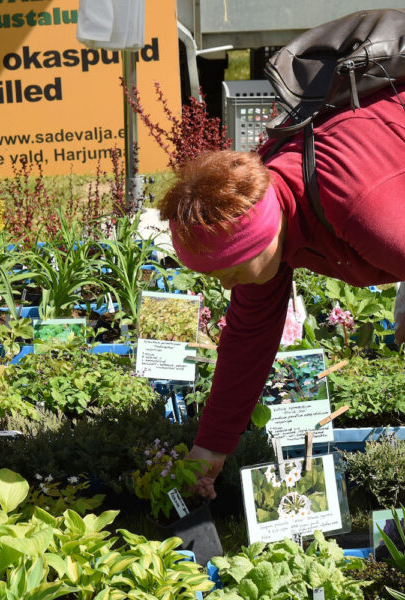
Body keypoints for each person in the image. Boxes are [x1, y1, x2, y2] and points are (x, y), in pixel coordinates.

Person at [159, 84, 405, 500]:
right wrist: (210, 448)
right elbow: (248, 339)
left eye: (229, 269)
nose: (225, 283)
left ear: (258, 240)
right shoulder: (266, 205)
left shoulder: (360, 210)